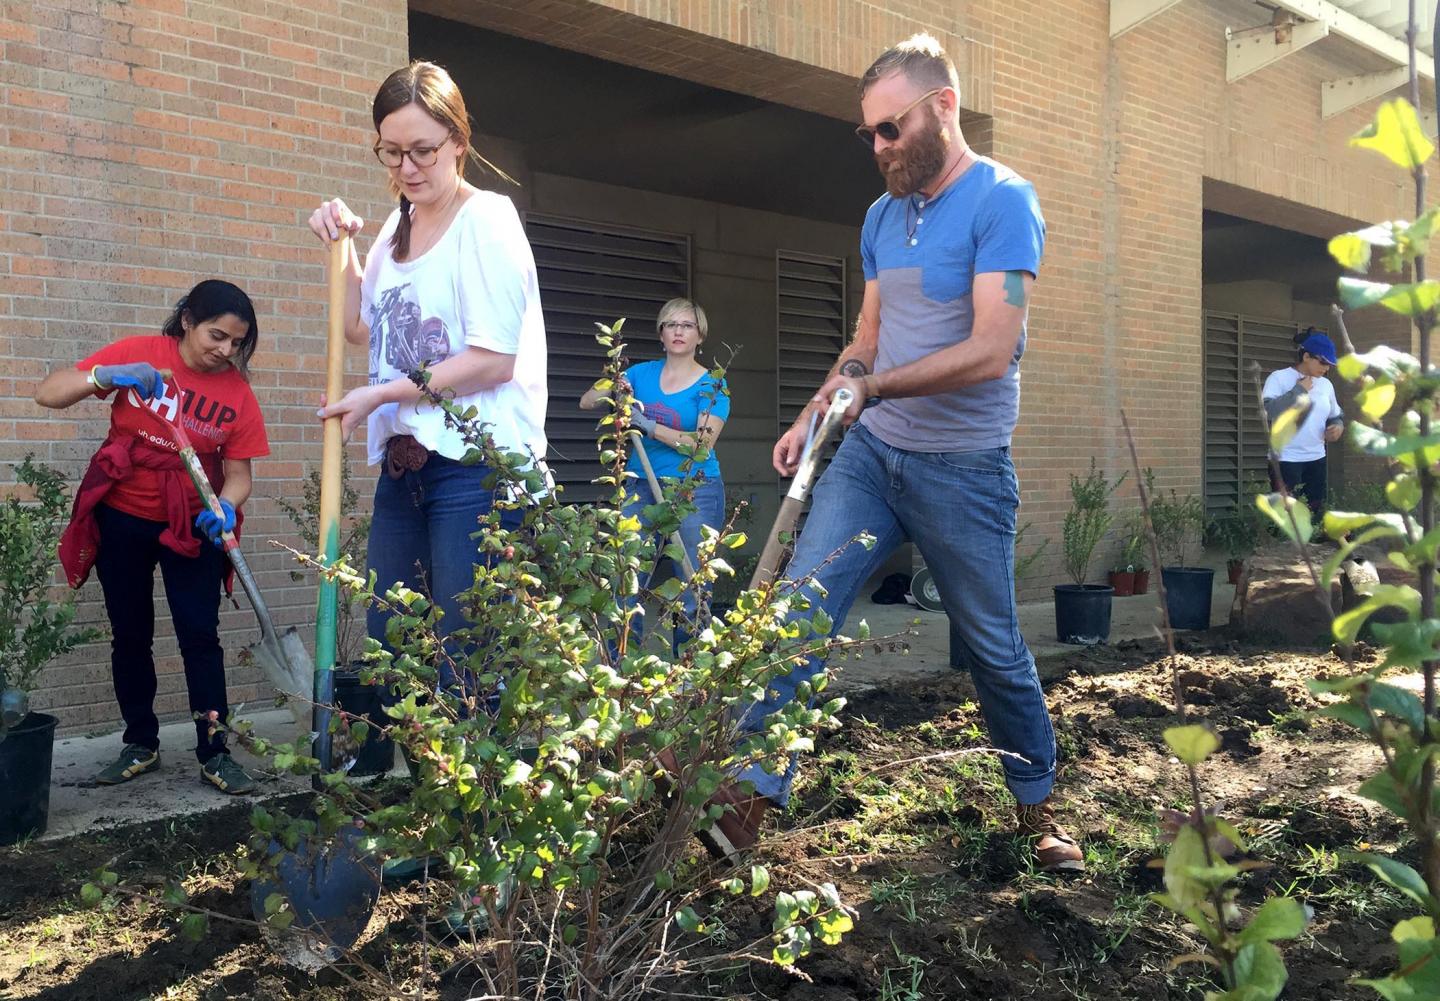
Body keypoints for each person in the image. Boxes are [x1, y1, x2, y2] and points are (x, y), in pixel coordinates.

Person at [696, 33, 1084, 872]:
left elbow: (991, 350)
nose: (876, 149)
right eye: (866, 134)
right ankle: (747, 800)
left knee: (992, 644)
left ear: (943, 106)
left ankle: (1040, 804)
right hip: (873, 455)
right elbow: (867, 338)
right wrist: (819, 410)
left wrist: (873, 390)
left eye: (889, 129)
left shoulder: (1003, 202)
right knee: (799, 606)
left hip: (965, 468)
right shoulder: (881, 217)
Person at [306, 61, 547, 697]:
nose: (407, 169)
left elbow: (493, 360)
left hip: (474, 468)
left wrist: (381, 394)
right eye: (391, 153)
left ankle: (475, 793)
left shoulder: (487, 220)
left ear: (458, 144)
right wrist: (342, 246)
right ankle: (414, 786)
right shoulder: (394, 229)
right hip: (404, 466)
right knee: (395, 642)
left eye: (422, 151)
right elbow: (363, 328)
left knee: (463, 655)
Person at [35, 280, 270, 794]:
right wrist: (103, 376)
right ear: (187, 319)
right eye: (217, 336)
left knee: (200, 638)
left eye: (236, 343)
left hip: (192, 522)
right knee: (131, 634)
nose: (225, 351)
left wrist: (226, 506)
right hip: (123, 517)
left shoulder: (235, 392)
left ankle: (215, 751)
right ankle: (141, 742)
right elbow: (48, 392)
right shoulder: (141, 354)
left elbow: (239, 473)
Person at [579, 298, 729, 654]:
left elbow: (702, 445)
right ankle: (620, 668)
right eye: (671, 325)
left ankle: (691, 674)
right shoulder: (638, 375)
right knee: (626, 579)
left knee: (694, 583)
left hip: (696, 489)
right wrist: (616, 385)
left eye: (687, 325)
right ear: (661, 334)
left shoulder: (712, 386)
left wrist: (648, 426)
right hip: (641, 485)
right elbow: (587, 401)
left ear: (699, 336)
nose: (678, 331)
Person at [1262, 328, 1343, 522]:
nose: (1327, 368)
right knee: (1285, 519)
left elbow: (1335, 414)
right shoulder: (1278, 378)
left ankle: (1313, 551)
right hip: (1285, 460)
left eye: (1330, 364)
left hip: (1316, 458)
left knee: (1315, 514)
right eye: (1323, 362)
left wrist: (1337, 426)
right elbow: (1269, 410)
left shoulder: (1326, 385)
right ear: (1306, 356)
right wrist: (1299, 390)